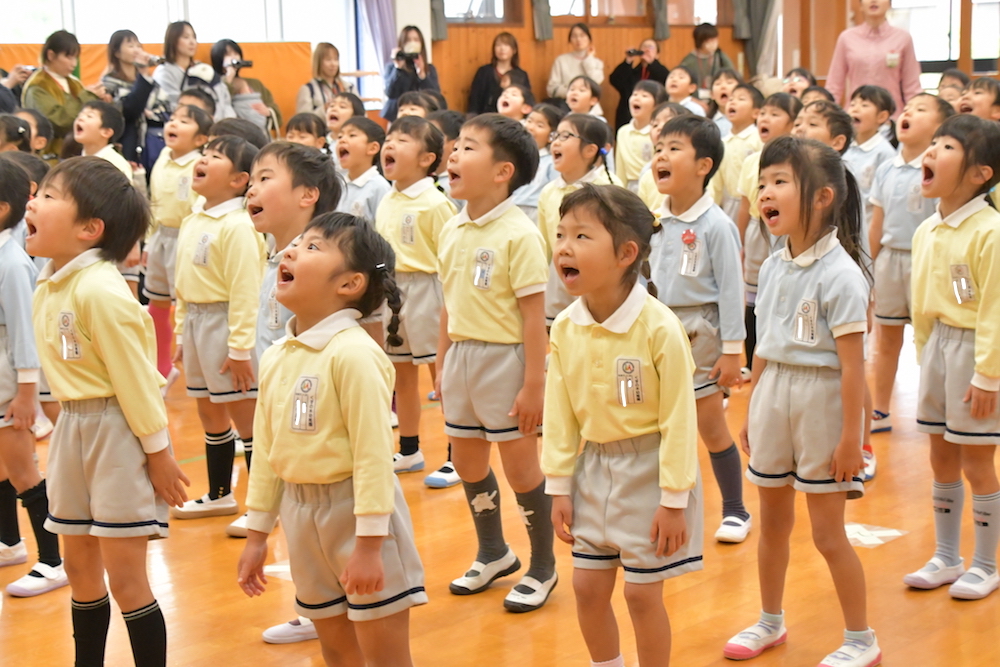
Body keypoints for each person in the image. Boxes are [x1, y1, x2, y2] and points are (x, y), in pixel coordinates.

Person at [237, 212, 426, 666]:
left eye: (313, 247)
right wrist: (257, 532)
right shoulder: (280, 354)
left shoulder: (356, 355)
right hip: (300, 516)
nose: (291, 251)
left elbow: (374, 458)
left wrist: (368, 546)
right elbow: (266, 453)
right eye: (296, 243)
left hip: (357, 515)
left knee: (385, 655)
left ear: (350, 284)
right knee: (337, 651)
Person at [25, 156, 190, 667]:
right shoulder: (50, 283)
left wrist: (157, 454)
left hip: (117, 432)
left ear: (89, 230)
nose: (33, 201)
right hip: (73, 429)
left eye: (50, 196)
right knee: (78, 568)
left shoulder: (101, 289)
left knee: (127, 578)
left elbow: (138, 382)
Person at [723, 135, 878, 667]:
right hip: (774, 396)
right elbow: (762, 345)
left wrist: (852, 439)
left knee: (828, 534)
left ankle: (861, 639)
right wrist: (752, 408)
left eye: (780, 181)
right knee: (772, 524)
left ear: (822, 197)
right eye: (763, 182)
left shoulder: (842, 274)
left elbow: (855, 366)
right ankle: (770, 620)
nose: (765, 191)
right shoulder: (770, 266)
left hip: (823, 400)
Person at [544, 183, 703, 667]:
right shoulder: (566, 326)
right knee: (587, 587)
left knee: (640, 596)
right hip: (593, 471)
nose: (564, 247)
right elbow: (560, 413)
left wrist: (674, 501)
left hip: (650, 475)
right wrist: (559, 486)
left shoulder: (659, 327)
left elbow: (680, 418)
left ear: (626, 253)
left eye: (582, 236)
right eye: (560, 234)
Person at [438, 113, 557, 613]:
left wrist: (534, 385)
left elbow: (535, 320)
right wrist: (444, 364)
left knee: (522, 468)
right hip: (462, 357)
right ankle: (494, 552)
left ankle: (544, 566)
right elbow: (448, 304)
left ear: (503, 171)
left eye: (468, 148)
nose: (454, 155)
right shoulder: (451, 228)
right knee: (467, 461)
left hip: (506, 359)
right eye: (456, 147)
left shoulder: (520, 234)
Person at [904, 114, 1000, 601]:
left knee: (978, 460)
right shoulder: (927, 230)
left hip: (976, 355)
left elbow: (995, 310)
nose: (932, 151)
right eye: (934, 143)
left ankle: (986, 563)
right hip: (938, 348)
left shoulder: (991, 231)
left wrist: (988, 375)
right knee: (940, 454)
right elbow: (922, 302)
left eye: (947, 146)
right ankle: (947, 555)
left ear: (981, 172)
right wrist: (924, 356)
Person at [649, 115, 751, 543]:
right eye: (658, 149)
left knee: (709, 425)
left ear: (704, 165)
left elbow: (731, 290)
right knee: (659, 427)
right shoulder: (653, 221)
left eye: (674, 148)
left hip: (701, 334)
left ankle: (735, 510)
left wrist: (733, 350)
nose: (662, 156)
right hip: (658, 330)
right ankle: (668, 505)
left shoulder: (717, 225)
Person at [170, 136, 266, 524]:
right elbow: (181, 282)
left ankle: (262, 507)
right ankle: (220, 494)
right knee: (209, 414)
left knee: (248, 422)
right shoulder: (194, 218)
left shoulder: (239, 225)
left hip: (226, 325)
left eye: (216, 156)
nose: (204, 159)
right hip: (196, 323)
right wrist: (180, 333)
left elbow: (247, 291)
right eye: (204, 153)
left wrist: (240, 348)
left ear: (239, 180)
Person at [868, 94, 954, 437]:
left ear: (939, 129)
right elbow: (877, 223)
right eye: (907, 108)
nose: (909, 113)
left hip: (929, 263)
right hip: (891, 260)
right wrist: (867, 270)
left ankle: (942, 407)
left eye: (921, 110)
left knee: (936, 339)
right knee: (887, 339)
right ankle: (881, 409)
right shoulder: (886, 167)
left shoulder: (942, 167)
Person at [0, 160, 66, 599]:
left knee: (23, 470)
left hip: (7, 385)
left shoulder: (11, 263)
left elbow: (25, 331)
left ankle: (53, 560)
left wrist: (27, 394)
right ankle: (9, 542)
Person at [376, 117, 457, 473]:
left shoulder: (436, 204)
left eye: (402, 141)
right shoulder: (387, 198)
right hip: (391, 293)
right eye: (388, 139)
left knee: (441, 376)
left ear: (427, 158)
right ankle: (410, 450)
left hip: (428, 292)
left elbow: (451, 261)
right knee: (402, 377)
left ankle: (457, 455)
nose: (389, 145)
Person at [144, 103, 212, 394]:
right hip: (161, 237)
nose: (173, 124)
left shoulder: (201, 163)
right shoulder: (161, 157)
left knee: (186, 305)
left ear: (200, 139)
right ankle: (162, 368)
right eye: (172, 119)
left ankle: (200, 371)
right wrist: (148, 241)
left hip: (186, 241)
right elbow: (152, 199)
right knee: (156, 304)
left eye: (184, 121)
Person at [735, 93, 804, 376]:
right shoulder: (752, 161)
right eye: (762, 112)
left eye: (775, 114)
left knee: (786, 295)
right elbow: (744, 204)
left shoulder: (801, 160)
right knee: (753, 299)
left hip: (786, 231)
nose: (765, 118)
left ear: (792, 123)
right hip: (758, 230)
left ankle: (786, 353)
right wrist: (738, 242)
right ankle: (752, 362)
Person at [538, 114, 620, 324]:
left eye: (566, 136)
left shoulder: (608, 189)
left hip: (597, 278)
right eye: (555, 135)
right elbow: (545, 246)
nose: (555, 141)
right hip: (559, 280)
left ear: (590, 150)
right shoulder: (548, 192)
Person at [826, 0, 921, 119]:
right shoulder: (846, 38)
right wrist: (827, 115)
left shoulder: (903, 38)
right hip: (855, 114)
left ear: (890, 3)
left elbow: (912, 86)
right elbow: (834, 85)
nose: (873, 1)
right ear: (860, 5)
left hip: (891, 115)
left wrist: (916, 115)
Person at [21, 31, 106, 158]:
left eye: (75, 58)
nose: (74, 63)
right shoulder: (37, 86)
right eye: (68, 57)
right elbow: (58, 122)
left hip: (76, 153)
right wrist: (87, 96)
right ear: (51, 55)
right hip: (50, 157)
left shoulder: (74, 82)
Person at [101, 29, 172, 164]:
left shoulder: (151, 83)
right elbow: (128, 109)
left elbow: (167, 108)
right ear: (116, 53)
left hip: (154, 144)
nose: (137, 50)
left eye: (138, 46)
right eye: (130, 46)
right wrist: (144, 75)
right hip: (128, 146)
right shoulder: (109, 83)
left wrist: (151, 114)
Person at [153, 21, 235, 122]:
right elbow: (174, 105)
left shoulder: (204, 69)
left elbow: (224, 100)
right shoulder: (164, 72)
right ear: (173, 40)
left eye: (194, 37)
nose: (192, 42)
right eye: (186, 37)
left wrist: (225, 123)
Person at [708, 83, 764, 220]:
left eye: (741, 99)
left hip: (755, 204)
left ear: (756, 113)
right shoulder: (722, 143)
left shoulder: (758, 139)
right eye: (731, 99)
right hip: (729, 203)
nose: (732, 102)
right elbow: (716, 182)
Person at [844, 85, 897, 229]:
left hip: (868, 225)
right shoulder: (845, 146)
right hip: (845, 220)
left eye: (864, 105)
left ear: (882, 117)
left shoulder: (885, 152)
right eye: (853, 104)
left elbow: (883, 200)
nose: (855, 109)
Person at [210, 39, 282, 131]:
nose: (233, 58)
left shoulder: (255, 83)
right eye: (228, 55)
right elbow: (220, 104)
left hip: (259, 132)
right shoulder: (215, 85)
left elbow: (278, 118)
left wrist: (269, 112)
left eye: (236, 54)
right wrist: (228, 77)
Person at [513, 103, 564, 222]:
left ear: (551, 136)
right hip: (512, 206)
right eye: (529, 121)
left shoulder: (551, 161)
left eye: (539, 125)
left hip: (535, 211)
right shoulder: (515, 156)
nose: (530, 127)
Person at [336, 118, 391, 223]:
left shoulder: (379, 187)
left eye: (352, 135)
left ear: (372, 148)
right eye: (340, 136)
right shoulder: (339, 184)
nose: (342, 140)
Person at [615, 80, 667, 192]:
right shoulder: (623, 131)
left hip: (653, 185)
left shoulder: (658, 133)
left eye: (644, 96)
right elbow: (620, 168)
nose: (637, 98)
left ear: (657, 105)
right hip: (629, 188)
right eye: (634, 94)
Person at [382, 26, 440, 123]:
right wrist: (398, 68)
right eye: (408, 40)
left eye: (416, 40)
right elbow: (390, 93)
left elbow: (434, 96)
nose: (412, 43)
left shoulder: (429, 68)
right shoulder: (392, 68)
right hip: (397, 116)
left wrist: (422, 74)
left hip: (422, 116)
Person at [608, 39, 669, 130]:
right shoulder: (632, 71)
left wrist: (652, 63)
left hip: (652, 116)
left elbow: (666, 80)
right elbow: (615, 80)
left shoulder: (660, 71)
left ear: (657, 54)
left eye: (651, 47)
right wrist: (628, 61)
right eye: (644, 47)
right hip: (628, 115)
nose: (647, 49)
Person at [468, 32, 531, 116]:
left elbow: (527, 99)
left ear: (514, 50)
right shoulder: (484, 71)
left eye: (506, 45)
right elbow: (474, 99)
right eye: (498, 45)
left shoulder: (521, 75)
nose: (502, 49)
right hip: (486, 117)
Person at [547, 23, 605, 102]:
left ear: (589, 38)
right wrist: (573, 93)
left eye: (582, 35)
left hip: (590, 106)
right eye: (574, 36)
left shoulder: (597, 63)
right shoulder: (561, 60)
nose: (578, 39)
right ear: (570, 40)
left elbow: (595, 83)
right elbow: (552, 89)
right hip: (566, 105)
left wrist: (589, 59)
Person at [296, 43, 356, 118]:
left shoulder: (349, 88)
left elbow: (361, 115)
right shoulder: (308, 89)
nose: (333, 64)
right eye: (328, 59)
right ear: (319, 62)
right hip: (322, 129)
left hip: (347, 129)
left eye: (336, 59)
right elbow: (303, 122)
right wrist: (324, 109)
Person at [679, 23, 736, 94]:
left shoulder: (720, 56)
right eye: (709, 41)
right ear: (699, 41)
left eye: (714, 40)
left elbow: (732, 75)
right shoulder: (688, 61)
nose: (713, 43)